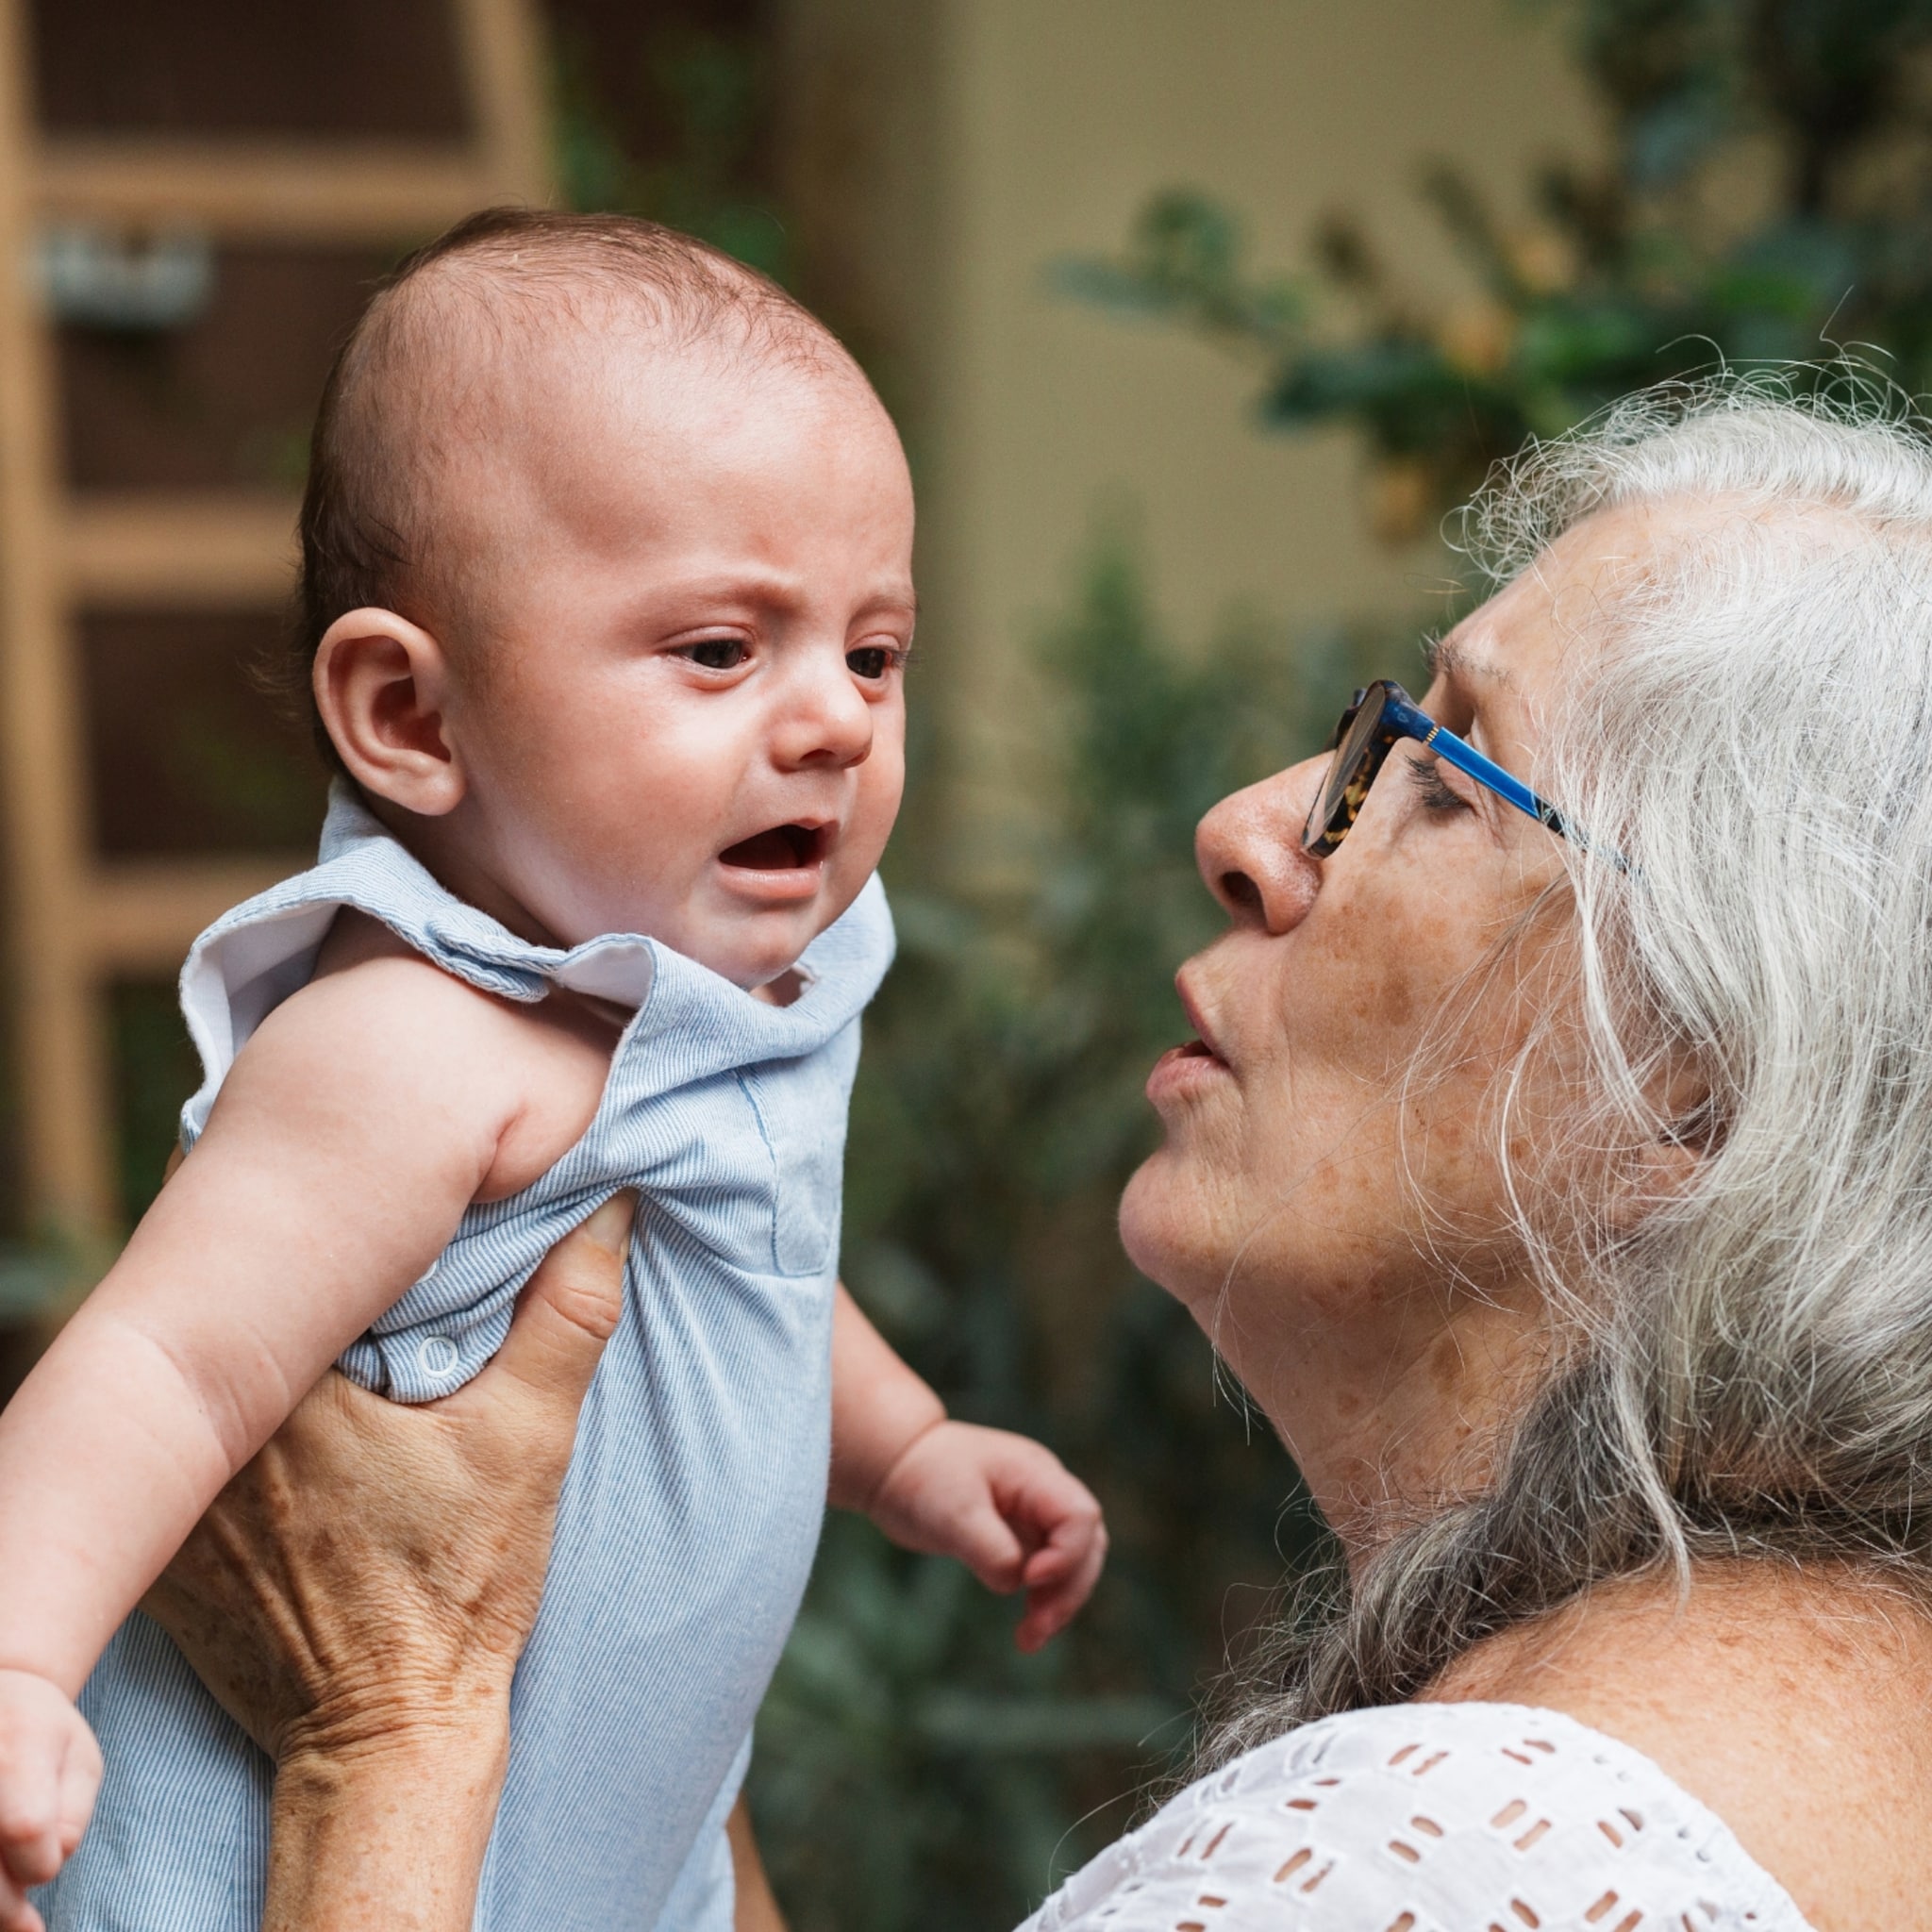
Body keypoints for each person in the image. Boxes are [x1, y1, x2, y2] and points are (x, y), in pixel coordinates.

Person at [108, 376, 1932, 1932]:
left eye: (1449, 777)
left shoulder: (1450, 1865)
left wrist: (391, 1736)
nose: (1247, 827)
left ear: (1698, 1080)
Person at [0, 208, 1108, 1932]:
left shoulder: (719, 996)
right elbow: (162, 1366)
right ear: (415, 721)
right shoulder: (412, 1041)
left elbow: (745, 1263)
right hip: (258, 1871)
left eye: (873, 653)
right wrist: (18, 1658)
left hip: (609, 1856)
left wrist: (903, 1448)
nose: (832, 719)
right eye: (721, 650)